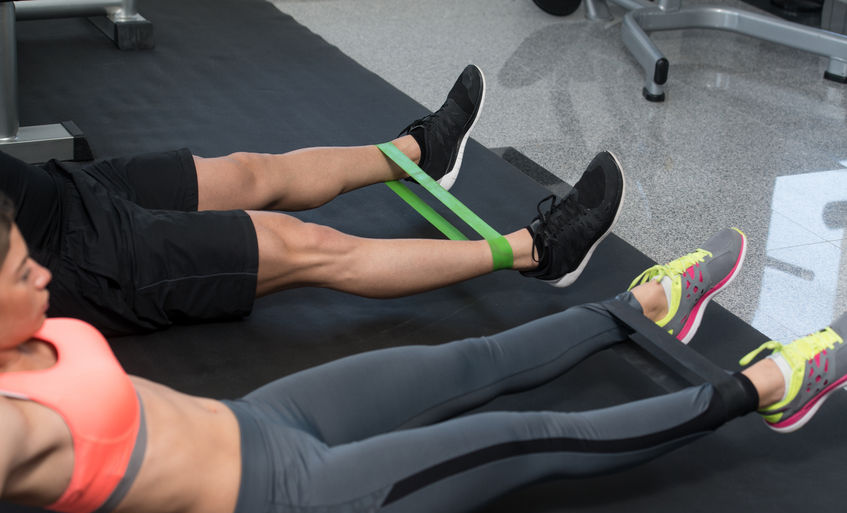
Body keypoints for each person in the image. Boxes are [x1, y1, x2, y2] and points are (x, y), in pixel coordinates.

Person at [3, 206, 844, 513]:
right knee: (529, 436)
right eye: (16, 268)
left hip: (259, 420)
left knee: (467, 360)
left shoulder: (22, 324)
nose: (40, 269)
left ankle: (646, 303)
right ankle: (766, 384)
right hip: (292, 509)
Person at [0, 64, 625, 336]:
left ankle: (417, 152)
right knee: (305, 247)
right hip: (70, 261)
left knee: (249, 172)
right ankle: (537, 252)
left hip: (51, 192)